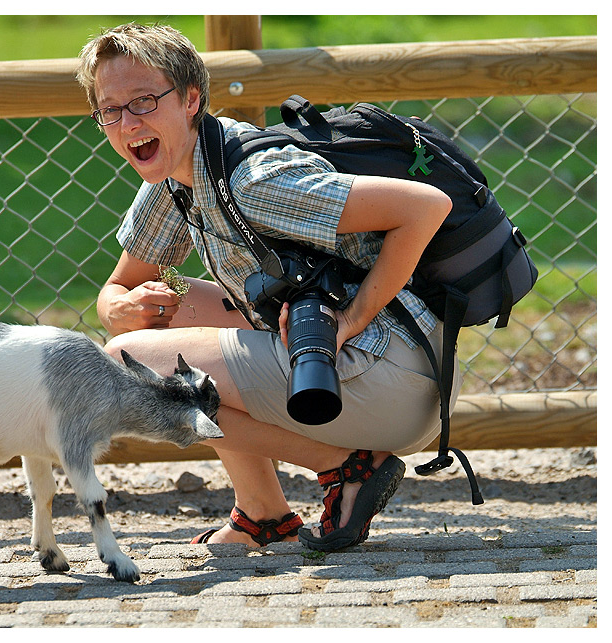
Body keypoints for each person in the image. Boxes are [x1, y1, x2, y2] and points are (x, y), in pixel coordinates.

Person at [75, 23, 463, 551]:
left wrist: (352, 319)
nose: (127, 123)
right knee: (170, 310)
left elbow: (425, 207)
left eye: (143, 101)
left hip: (396, 377)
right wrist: (123, 307)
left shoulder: (253, 180)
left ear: (190, 99)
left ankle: (346, 468)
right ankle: (263, 515)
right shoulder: (180, 174)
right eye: (110, 109)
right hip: (363, 369)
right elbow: (119, 287)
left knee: (125, 365)